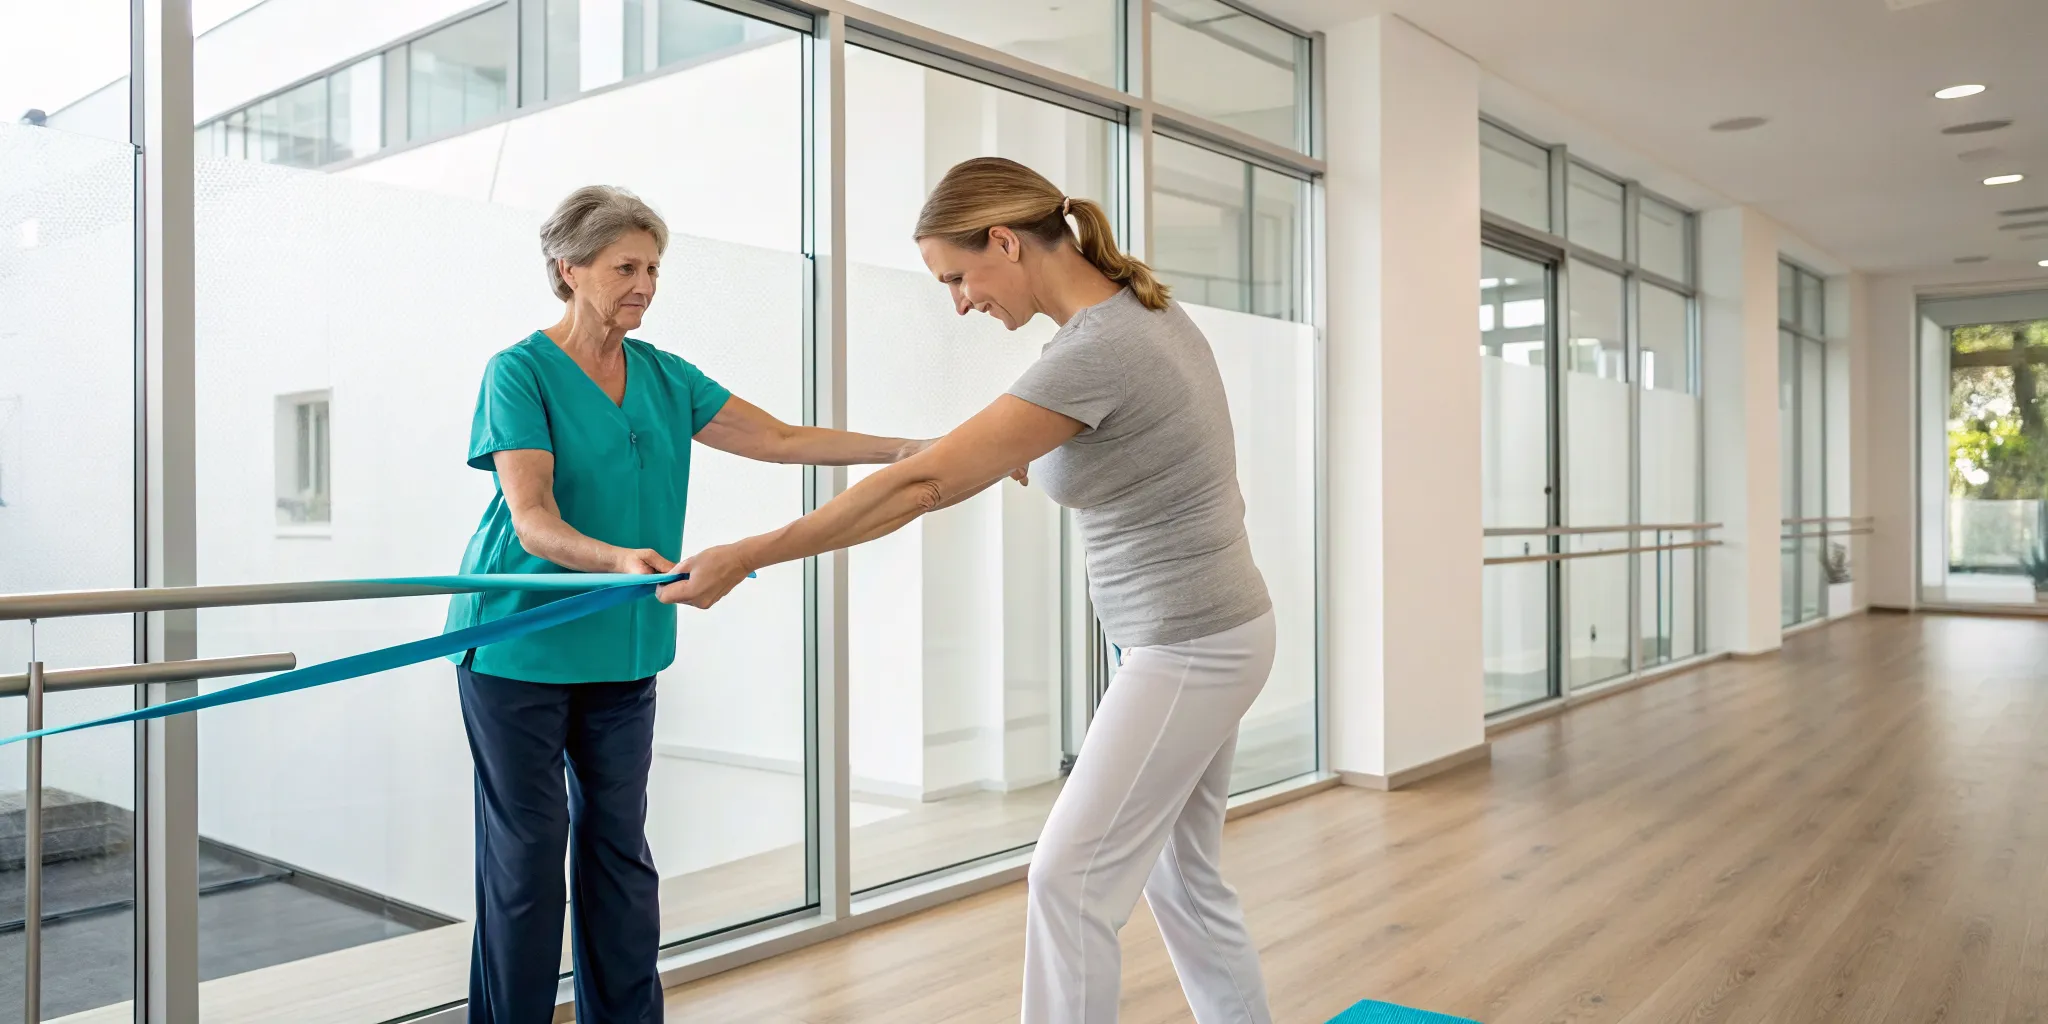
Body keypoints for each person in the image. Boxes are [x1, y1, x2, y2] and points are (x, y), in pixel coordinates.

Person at [660, 157, 1276, 1024]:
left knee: (1068, 880)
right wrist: (946, 456)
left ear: (1003, 241)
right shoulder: (1134, 318)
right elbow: (1065, 451)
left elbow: (925, 489)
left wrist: (748, 553)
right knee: (1182, 877)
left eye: (957, 276)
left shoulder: (1099, 349)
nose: (959, 301)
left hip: (1188, 643)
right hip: (1210, 629)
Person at [447, 185, 933, 1024]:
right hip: (519, 644)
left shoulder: (667, 377)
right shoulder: (519, 372)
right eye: (625, 267)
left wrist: (914, 450)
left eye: (653, 268)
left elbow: (781, 441)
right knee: (526, 861)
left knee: (618, 855)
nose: (645, 284)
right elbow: (533, 522)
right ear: (569, 269)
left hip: (627, 644)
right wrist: (616, 560)